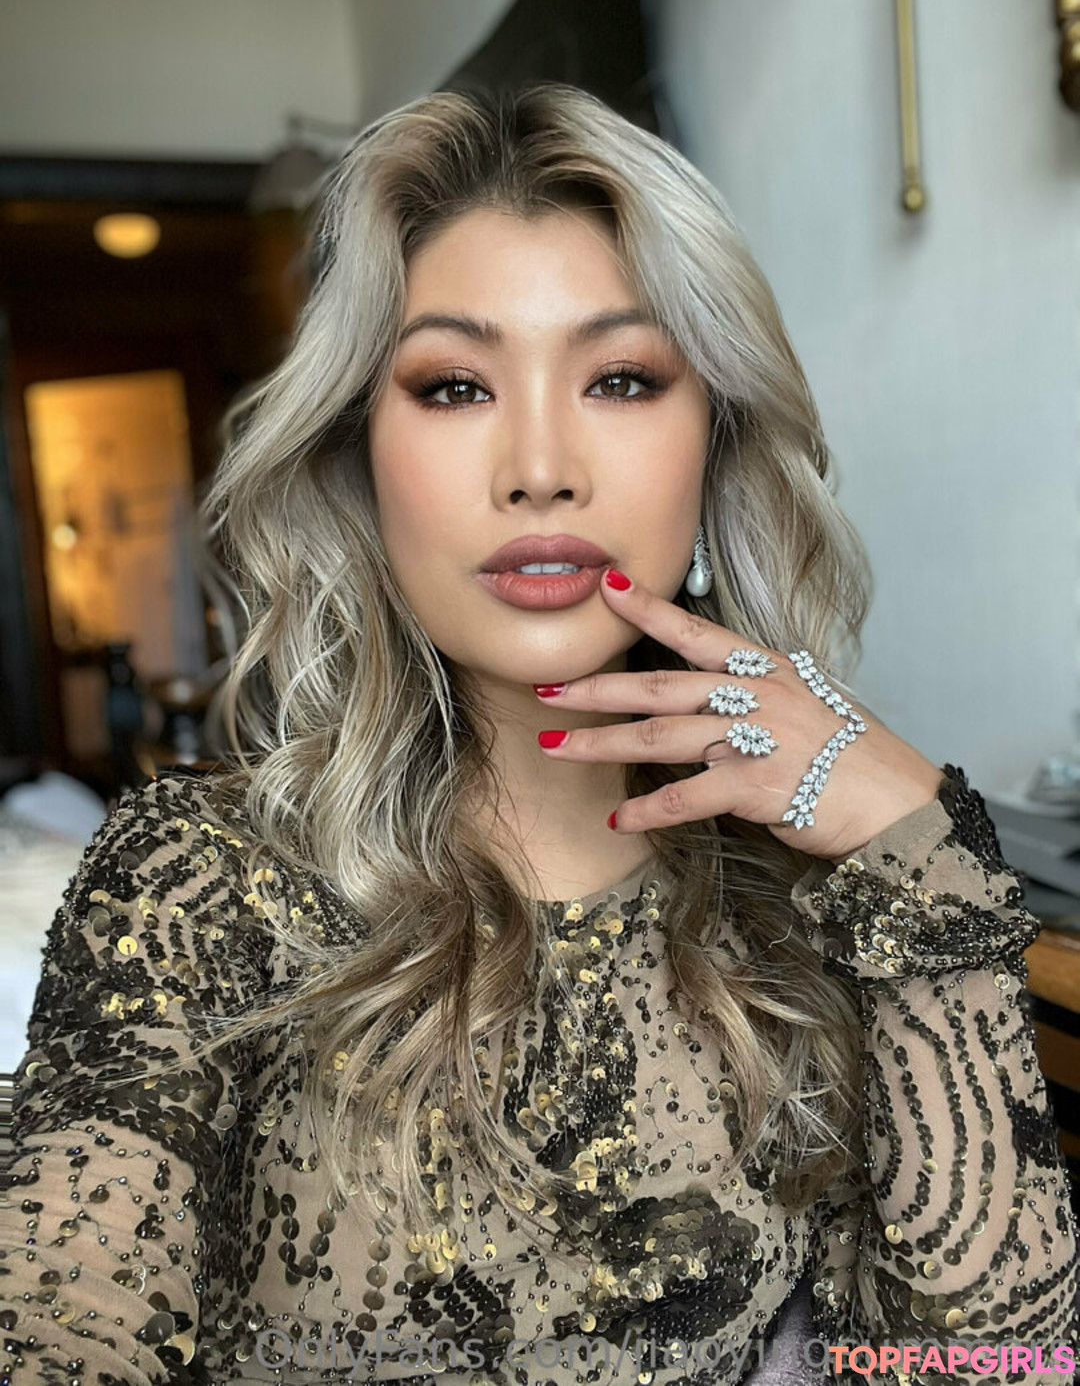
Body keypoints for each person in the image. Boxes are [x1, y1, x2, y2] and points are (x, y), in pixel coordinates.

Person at [1, 82, 1076, 1386]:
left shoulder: (819, 905)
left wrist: (921, 844)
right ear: (358, 458)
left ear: (715, 440)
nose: (541, 465)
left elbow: (991, 1372)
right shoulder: (201, 886)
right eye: (455, 386)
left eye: (621, 378)